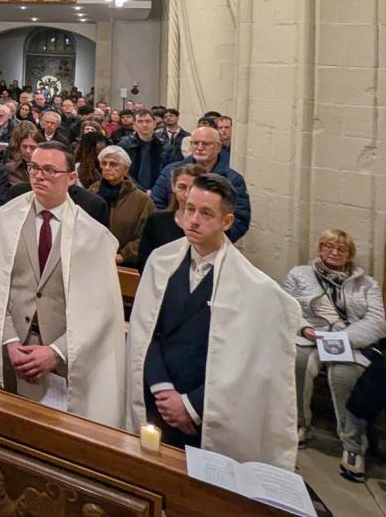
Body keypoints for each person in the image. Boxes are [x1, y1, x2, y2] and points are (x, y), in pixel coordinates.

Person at [128, 173, 300, 466]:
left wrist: (191, 406)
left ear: (227, 222)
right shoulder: (161, 261)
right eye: (189, 208)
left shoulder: (252, 287)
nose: (193, 220)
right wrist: (162, 388)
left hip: (206, 412)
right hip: (158, 398)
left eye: (206, 213)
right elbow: (146, 330)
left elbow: (248, 364)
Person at [0, 142, 126, 427]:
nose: (39, 176)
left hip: (61, 360)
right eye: (34, 168)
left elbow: (99, 309)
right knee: (2, 431)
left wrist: (56, 352)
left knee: (52, 438)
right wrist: (9, 341)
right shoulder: (7, 218)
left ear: (71, 178)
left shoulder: (93, 236)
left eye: (50, 170)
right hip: (8, 349)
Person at [283, 229, 386, 480]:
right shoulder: (299, 274)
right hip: (309, 336)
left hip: (348, 341)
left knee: (342, 375)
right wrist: (304, 328)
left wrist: (344, 338)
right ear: (320, 248)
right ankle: (300, 425)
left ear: (350, 254)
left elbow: (377, 321)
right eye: (328, 246)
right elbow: (285, 306)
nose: (334, 252)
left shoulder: (367, 284)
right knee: (299, 361)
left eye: (341, 249)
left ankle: (352, 445)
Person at [150, 126, 250, 241]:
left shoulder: (232, 179)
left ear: (218, 147)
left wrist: (213, 239)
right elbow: (156, 203)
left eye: (206, 144)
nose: (200, 148)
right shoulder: (171, 171)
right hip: (170, 238)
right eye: (195, 143)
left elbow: (240, 219)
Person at [90, 145, 153, 266]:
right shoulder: (92, 192)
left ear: (125, 169)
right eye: (104, 163)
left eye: (113, 164)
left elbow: (148, 235)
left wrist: (124, 255)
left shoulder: (142, 200)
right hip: (92, 259)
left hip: (125, 264)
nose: (107, 168)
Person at [136, 163, 204, 272]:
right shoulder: (157, 221)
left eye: (193, 188)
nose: (186, 194)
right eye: (182, 187)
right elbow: (145, 261)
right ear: (173, 186)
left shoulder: (207, 225)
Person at [119, 110, 169, 191]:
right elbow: (123, 172)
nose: (144, 125)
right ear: (134, 125)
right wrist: (140, 191)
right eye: (140, 121)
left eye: (148, 121)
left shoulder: (165, 146)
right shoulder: (124, 145)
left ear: (154, 124)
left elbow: (168, 171)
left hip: (158, 192)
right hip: (130, 191)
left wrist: (156, 191)